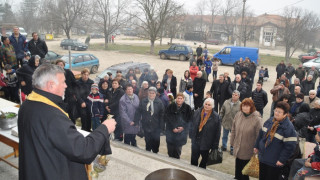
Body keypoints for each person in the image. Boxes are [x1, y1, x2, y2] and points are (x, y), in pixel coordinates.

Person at [18, 63, 116, 180]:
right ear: (51, 85)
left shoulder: (28, 104)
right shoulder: (52, 115)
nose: (66, 86)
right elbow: (83, 151)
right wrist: (105, 128)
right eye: (63, 82)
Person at [254, 101, 297, 180]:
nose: (276, 113)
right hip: (263, 157)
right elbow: (261, 134)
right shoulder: (270, 121)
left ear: (285, 114)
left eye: (279, 112)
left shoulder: (288, 128)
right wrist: (257, 146)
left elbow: (290, 147)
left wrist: (282, 160)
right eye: (276, 110)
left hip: (274, 161)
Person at [230, 98, 262, 180]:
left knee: (244, 172)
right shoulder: (238, 114)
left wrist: (257, 147)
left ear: (252, 107)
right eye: (243, 106)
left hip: (248, 148)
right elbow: (233, 128)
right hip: (238, 146)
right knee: (238, 169)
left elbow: (259, 135)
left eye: (247, 106)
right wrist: (232, 141)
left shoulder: (257, 119)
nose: (245, 108)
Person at [190, 98, 221, 169]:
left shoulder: (216, 117)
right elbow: (192, 124)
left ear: (212, 106)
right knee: (193, 160)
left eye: (209, 105)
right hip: (196, 141)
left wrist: (215, 145)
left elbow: (217, 133)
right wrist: (191, 135)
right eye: (206, 104)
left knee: (204, 161)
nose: (207, 106)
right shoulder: (197, 112)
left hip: (206, 143)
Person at [134, 87, 165, 153]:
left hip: (156, 126)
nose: (151, 95)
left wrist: (162, 127)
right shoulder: (143, 101)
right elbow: (138, 112)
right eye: (150, 93)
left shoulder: (159, 102)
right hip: (146, 125)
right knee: (148, 142)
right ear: (148, 93)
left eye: (153, 93)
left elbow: (162, 115)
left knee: (156, 143)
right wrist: (136, 122)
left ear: (155, 94)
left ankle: (155, 154)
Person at [165, 93, 192, 159]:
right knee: (170, 152)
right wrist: (173, 128)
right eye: (178, 98)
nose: (179, 100)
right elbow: (166, 118)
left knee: (177, 152)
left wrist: (183, 127)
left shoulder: (188, 108)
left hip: (181, 134)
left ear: (183, 99)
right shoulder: (170, 106)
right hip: (171, 132)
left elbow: (190, 120)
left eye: (181, 98)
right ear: (175, 99)